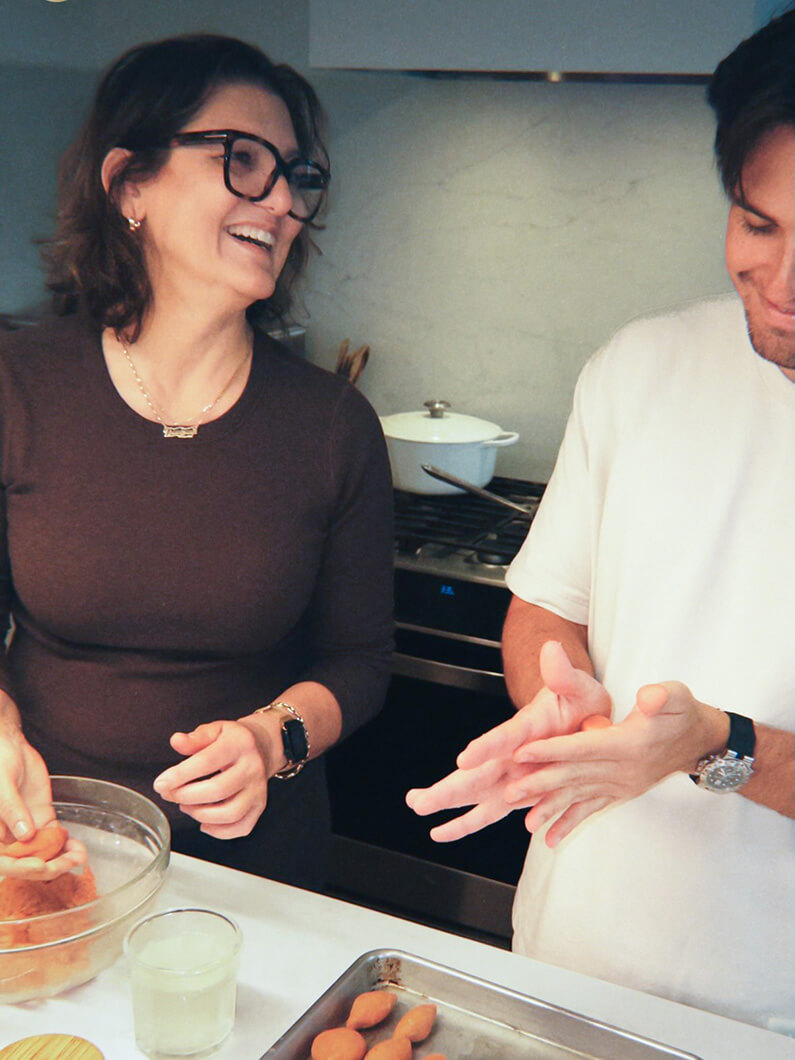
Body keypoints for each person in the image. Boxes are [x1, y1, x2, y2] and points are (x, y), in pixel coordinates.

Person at [407, 9, 794, 1032]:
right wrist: (559, 696)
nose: (784, 285)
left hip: (770, 1006)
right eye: (759, 224)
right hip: (567, 956)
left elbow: (708, 740)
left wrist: (718, 743)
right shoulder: (639, 366)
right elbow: (545, 610)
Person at [0, 35, 393, 891]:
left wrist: (271, 740)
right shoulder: (15, 387)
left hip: (252, 877)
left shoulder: (333, 425)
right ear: (129, 184)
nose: (283, 199)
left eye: (296, 174)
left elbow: (359, 663)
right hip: (48, 851)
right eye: (243, 160)